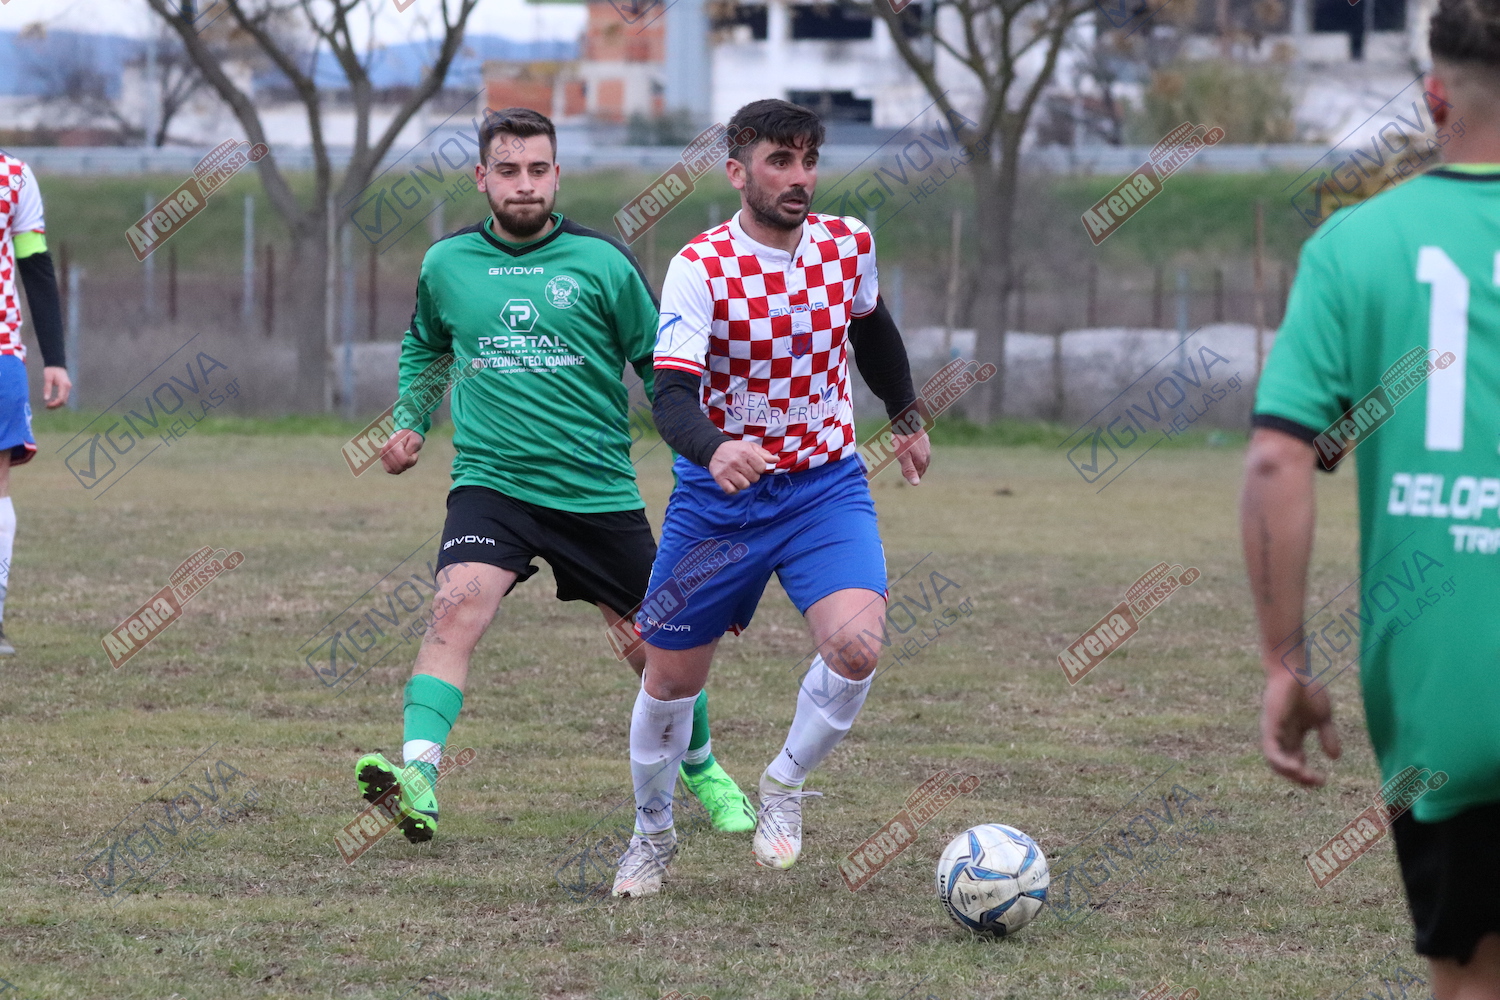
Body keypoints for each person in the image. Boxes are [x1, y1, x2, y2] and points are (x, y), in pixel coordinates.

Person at [354, 108, 755, 845]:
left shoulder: (603, 263)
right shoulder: (446, 264)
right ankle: (419, 777)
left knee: (658, 650)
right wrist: (410, 417)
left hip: (595, 490)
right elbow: (426, 347)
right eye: (508, 171)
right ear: (482, 177)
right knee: (453, 612)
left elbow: (662, 364)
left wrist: (705, 444)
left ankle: (702, 766)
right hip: (492, 483)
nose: (524, 184)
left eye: (537, 169)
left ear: (557, 175)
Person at [611, 98, 931, 898]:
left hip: (825, 488)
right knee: (669, 682)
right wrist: (716, 448)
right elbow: (670, 395)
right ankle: (652, 835)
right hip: (719, 502)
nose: (799, 178)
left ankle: (784, 784)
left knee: (857, 647)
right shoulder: (701, 265)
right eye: (780, 161)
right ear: (737, 171)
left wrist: (905, 415)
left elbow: (871, 328)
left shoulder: (848, 243)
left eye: (809, 161)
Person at [1243, 2, 1500, 995]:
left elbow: (1279, 460)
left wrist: (1285, 661)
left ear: (1434, 98)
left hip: (1448, 699)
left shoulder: (1357, 245)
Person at [0, 151, 71, 656]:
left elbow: (34, 265)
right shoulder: (13, 174)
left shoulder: (14, 177)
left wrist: (55, 357)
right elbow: (37, 266)